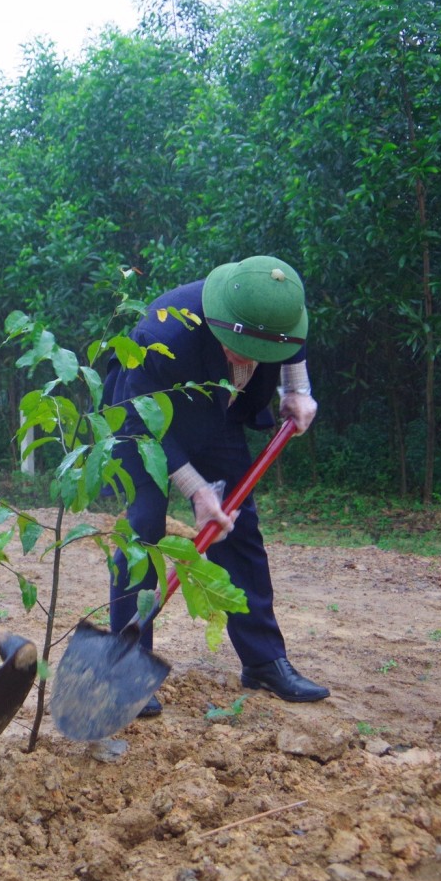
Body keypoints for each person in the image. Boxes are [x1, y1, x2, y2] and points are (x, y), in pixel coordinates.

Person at [106, 255, 328, 711]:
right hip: (144, 418)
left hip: (217, 414)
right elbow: (141, 420)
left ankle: (264, 662)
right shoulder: (160, 334)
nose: (246, 359)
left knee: (240, 527)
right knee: (145, 526)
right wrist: (196, 488)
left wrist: (296, 389)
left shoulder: (274, 308)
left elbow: (294, 341)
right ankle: (126, 669)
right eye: (239, 346)